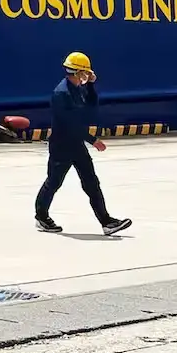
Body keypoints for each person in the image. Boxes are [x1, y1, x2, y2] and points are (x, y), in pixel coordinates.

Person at [35, 51, 133, 236]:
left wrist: (91, 86)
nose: (87, 75)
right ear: (77, 72)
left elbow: (92, 105)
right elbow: (70, 124)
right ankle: (41, 216)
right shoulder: (61, 93)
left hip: (76, 144)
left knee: (91, 183)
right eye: (85, 72)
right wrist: (93, 140)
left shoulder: (78, 88)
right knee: (54, 182)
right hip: (62, 146)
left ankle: (106, 222)